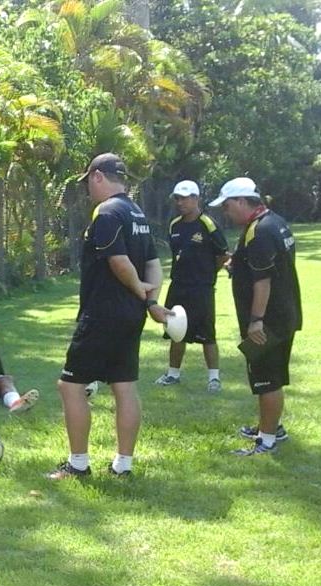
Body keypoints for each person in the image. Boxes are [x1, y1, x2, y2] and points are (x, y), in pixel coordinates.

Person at [49, 153, 169, 480]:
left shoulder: (107, 212)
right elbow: (154, 264)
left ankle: (78, 464)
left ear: (98, 176)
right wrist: (150, 300)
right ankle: (123, 466)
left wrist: (138, 287)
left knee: (70, 386)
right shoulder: (137, 213)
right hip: (131, 314)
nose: (88, 188)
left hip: (103, 313)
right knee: (124, 386)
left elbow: (118, 262)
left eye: (88, 181)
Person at [211, 177, 301, 455]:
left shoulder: (259, 231)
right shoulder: (274, 221)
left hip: (268, 321)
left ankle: (267, 441)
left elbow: (263, 281)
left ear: (241, 201)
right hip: (284, 313)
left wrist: (255, 321)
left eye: (227, 206)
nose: (226, 212)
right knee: (270, 376)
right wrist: (237, 264)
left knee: (267, 380)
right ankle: (270, 427)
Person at [154, 180, 230, 392]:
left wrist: (208, 274)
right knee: (176, 330)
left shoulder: (208, 224)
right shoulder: (174, 225)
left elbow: (223, 255)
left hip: (201, 288)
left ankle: (214, 378)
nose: (180, 202)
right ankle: (173, 374)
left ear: (196, 198)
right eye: (177, 198)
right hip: (178, 286)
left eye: (185, 198)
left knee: (207, 333)